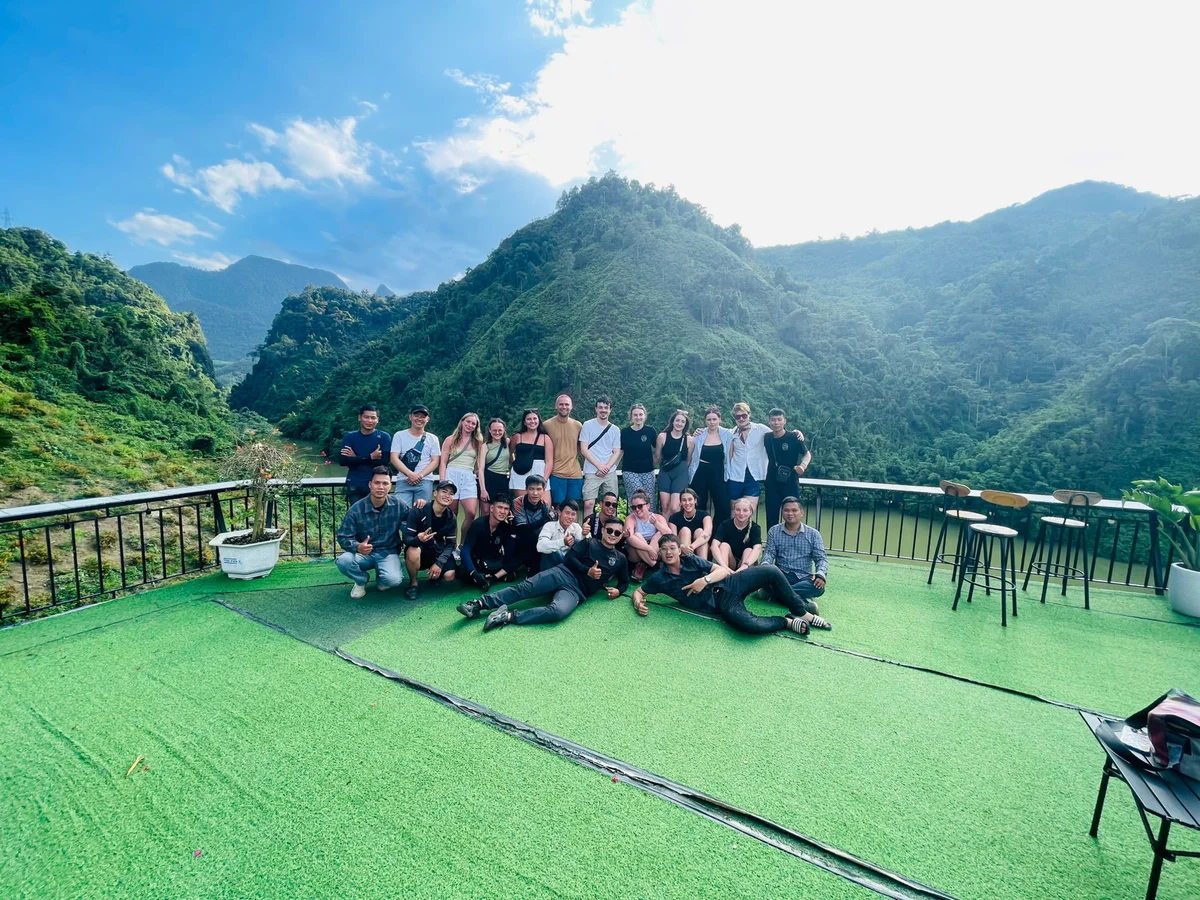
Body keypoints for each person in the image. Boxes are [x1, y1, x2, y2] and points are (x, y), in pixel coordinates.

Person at [457, 513, 630, 631]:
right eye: (609, 530)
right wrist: (588, 571)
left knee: (557, 612)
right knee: (525, 588)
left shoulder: (621, 558)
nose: (612, 534)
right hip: (564, 573)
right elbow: (570, 559)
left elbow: (624, 582)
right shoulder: (589, 543)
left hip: (576, 591)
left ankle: (507, 616)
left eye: (617, 532)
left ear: (621, 535)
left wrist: (618, 590)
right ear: (603, 530)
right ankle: (478, 604)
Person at [632, 535, 828, 635]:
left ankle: (802, 612)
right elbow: (639, 592)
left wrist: (704, 580)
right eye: (664, 549)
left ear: (678, 550)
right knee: (748, 625)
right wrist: (638, 603)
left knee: (771, 571)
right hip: (722, 604)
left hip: (730, 583)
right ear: (659, 552)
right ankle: (787, 621)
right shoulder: (660, 578)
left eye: (672, 548)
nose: (668, 553)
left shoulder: (690, 560)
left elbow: (723, 571)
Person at [335, 466, 406, 598]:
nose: (381, 487)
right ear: (370, 484)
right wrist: (358, 546)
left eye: (385, 483)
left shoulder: (399, 505)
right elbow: (343, 536)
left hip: (388, 552)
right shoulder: (356, 510)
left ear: (390, 486)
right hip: (364, 555)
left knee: (393, 580)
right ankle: (361, 580)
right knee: (343, 561)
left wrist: (422, 506)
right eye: (377, 483)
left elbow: (413, 522)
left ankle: (382, 576)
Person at [762, 496, 829, 615]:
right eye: (786, 510)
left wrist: (821, 574)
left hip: (804, 578)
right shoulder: (774, 531)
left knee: (818, 587)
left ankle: (776, 595)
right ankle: (804, 603)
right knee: (764, 579)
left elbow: (821, 559)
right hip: (780, 575)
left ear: (801, 512)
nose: (790, 513)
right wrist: (765, 566)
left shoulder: (814, 534)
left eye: (794, 510)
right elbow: (769, 553)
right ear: (782, 512)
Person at [402, 479, 458, 600]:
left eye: (451, 493)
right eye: (444, 491)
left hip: (437, 550)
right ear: (435, 493)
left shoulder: (451, 517)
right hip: (420, 550)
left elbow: (451, 544)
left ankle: (435, 575)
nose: (447, 496)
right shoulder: (418, 510)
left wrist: (439, 563)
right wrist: (418, 539)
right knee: (413, 550)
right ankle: (413, 583)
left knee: (450, 576)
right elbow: (406, 538)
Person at [439, 412, 486, 542]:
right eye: (468, 422)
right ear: (462, 422)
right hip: (451, 474)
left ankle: (463, 542)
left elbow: (478, 464)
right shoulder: (450, 439)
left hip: (468, 476)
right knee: (452, 513)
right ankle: (451, 544)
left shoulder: (478, 442)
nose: (470, 425)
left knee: (471, 512)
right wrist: (443, 480)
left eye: (473, 423)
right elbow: (443, 461)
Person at [763, 408, 811, 527]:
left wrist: (803, 466)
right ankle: (772, 544)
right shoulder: (767, 438)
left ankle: (793, 543)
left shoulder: (794, 437)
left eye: (779, 419)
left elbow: (807, 454)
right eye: (773, 420)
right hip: (772, 483)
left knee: (793, 515)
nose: (776, 423)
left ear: (785, 421)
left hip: (790, 483)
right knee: (771, 517)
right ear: (769, 422)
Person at [338, 404, 391, 507]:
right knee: (357, 517)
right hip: (355, 484)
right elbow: (343, 461)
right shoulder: (350, 436)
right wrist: (370, 457)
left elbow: (384, 462)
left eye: (373, 418)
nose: (369, 421)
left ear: (377, 420)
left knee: (377, 516)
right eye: (366, 417)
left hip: (377, 485)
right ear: (360, 417)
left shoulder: (384, 437)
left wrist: (355, 458)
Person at [459, 494, 517, 589]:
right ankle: (480, 577)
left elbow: (508, 554)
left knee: (513, 569)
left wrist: (513, 530)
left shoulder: (506, 527)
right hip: (476, 562)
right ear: (492, 508)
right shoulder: (478, 524)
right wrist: (474, 573)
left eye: (506, 509)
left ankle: (491, 579)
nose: (502, 512)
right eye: (500, 507)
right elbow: (465, 550)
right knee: (462, 573)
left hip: (493, 562)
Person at [688, 405, 733, 527]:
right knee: (699, 504)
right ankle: (699, 533)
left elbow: (742, 430)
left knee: (723, 505)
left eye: (714, 419)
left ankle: (717, 534)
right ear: (705, 421)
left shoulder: (727, 434)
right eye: (709, 419)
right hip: (700, 471)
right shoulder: (699, 434)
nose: (712, 422)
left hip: (718, 471)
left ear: (720, 419)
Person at [389, 404, 441, 508]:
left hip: (425, 481)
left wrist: (420, 475)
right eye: (416, 415)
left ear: (428, 419)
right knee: (401, 511)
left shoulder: (433, 438)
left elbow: (435, 461)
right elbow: (394, 458)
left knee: (422, 514)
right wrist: (410, 474)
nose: (419, 419)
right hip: (404, 479)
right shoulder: (399, 435)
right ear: (410, 417)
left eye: (423, 416)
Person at [580, 395, 623, 519]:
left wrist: (607, 467)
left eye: (606, 407)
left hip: (610, 472)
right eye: (600, 407)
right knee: (589, 503)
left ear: (610, 410)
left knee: (611, 505)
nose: (603, 410)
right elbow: (584, 449)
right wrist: (599, 466)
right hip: (592, 470)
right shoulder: (587, 425)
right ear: (596, 409)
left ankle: (610, 531)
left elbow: (616, 451)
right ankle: (588, 533)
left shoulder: (615, 429)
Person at [544, 393, 584, 506]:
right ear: (556, 406)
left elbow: (582, 449)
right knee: (558, 507)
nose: (564, 407)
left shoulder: (578, 425)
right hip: (556, 474)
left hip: (575, 474)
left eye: (567, 404)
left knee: (574, 508)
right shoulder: (547, 425)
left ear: (571, 407)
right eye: (561, 404)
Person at [512, 474, 557, 573]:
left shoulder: (545, 505)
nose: (535, 493)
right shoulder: (518, 502)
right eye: (531, 489)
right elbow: (522, 528)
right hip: (519, 539)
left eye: (538, 489)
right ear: (526, 489)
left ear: (543, 490)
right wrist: (545, 519)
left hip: (536, 540)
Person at [624, 488, 671, 581]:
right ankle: (656, 567)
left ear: (648, 505)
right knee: (636, 536)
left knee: (659, 533)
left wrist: (656, 524)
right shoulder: (631, 518)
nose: (637, 509)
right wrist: (648, 548)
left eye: (640, 506)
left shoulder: (657, 517)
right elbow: (629, 538)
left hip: (655, 552)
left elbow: (669, 535)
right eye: (634, 507)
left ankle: (643, 565)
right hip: (637, 554)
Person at [508, 408, 553, 502]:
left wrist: (544, 480)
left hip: (540, 472)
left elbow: (549, 461)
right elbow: (510, 452)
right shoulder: (517, 437)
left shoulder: (545, 438)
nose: (532, 421)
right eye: (529, 419)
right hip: (521, 473)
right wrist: (515, 465)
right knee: (522, 506)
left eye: (534, 418)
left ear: (539, 420)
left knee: (545, 505)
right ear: (524, 422)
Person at [655, 409, 693, 518]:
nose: (679, 423)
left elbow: (689, 460)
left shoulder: (689, 440)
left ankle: (675, 531)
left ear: (685, 424)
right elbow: (658, 456)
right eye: (677, 420)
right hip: (665, 472)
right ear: (673, 421)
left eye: (682, 422)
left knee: (675, 507)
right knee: (665, 506)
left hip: (680, 473)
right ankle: (666, 533)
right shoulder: (663, 437)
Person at [620, 403, 657, 509]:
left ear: (645, 416)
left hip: (648, 471)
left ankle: (651, 524)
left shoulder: (650, 431)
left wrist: (653, 462)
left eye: (640, 414)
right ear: (631, 416)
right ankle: (635, 524)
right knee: (636, 499)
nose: (638, 417)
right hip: (630, 471)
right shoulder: (625, 432)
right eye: (635, 415)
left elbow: (658, 448)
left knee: (649, 501)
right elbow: (620, 451)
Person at [711, 498, 764, 571]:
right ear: (734, 511)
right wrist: (723, 565)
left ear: (750, 512)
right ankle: (722, 573)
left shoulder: (755, 528)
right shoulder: (725, 524)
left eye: (745, 510)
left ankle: (742, 576)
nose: (741, 513)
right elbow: (714, 545)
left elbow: (758, 549)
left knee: (748, 550)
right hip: (729, 561)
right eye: (738, 510)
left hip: (746, 563)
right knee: (724, 545)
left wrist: (745, 566)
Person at [668, 488, 713, 559]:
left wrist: (691, 547)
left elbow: (707, 533)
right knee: (685, 530)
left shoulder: (705, 515)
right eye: (684, 500)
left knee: (699, 531)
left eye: (690, 499)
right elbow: (673, 539)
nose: (687, 503)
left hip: (703, 550)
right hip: (682, 550)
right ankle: (687, 564)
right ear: (680, 503)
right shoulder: (673, 518)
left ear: (695, 500)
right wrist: (683, 546)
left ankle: (703, 566)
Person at [536, 499, 583, 568]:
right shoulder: (549, 526)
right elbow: (540, 547)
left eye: (573, 514)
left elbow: (582, 550)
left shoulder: (576, 527)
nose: (570, 517)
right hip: (550, 567)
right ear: (559, 512)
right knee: (553, 551)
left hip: (568, 565)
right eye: (567, 513)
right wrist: (562, 542)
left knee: (579, 543)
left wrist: (585, 534)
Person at [480, 418, 510, 517]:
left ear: (504, 430)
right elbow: (481, 469)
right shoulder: (485, 446)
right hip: (489, 478)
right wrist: (483, 489)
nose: (497, 433)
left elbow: (512, 458)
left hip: (503, 479)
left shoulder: (508, 442)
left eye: (500, 430)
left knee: (502, 510)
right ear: (490, 430)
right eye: (494, 430)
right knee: (486, 511)